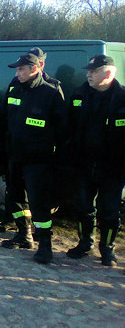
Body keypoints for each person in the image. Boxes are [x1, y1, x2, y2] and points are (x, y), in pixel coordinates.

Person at [0, 53, 66, 264]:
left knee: (39, 203)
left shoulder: (50, 93)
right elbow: (5, 120)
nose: (17, 74)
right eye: (16, 70)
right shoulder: (15, 89)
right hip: (15, 156)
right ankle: (23, 234)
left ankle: (45, 244)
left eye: (21, 70)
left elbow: (63, 130)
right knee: (14, 198)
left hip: (39, 159)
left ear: (34, 69)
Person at [66, 55, 125, 267]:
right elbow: (69, 128)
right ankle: (85, 243)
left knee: (109, 211)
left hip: (113, 167)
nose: (88, 74)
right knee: (83, 207)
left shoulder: (122, 97)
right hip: (83, 163)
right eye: (88, 70)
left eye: (94, 71)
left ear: (108, 73)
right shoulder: (79, 94)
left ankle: (107, 249)